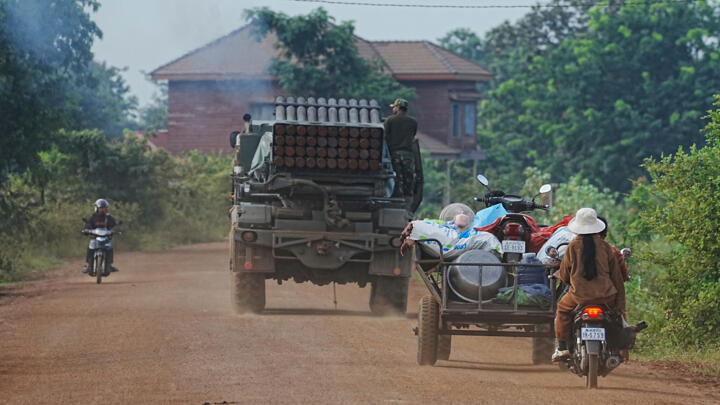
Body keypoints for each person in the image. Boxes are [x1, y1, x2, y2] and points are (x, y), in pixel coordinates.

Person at [551, 207, 627, 362]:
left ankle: (562, 348)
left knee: (562, 309)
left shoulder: (572, 246)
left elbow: (565, 274)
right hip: (606, 297)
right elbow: (617, 278)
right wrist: (620, 305)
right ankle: (617, 349)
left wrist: (565, 278)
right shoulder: (606, 247)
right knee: (616, 317)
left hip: (579, 297)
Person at [384, 98, 418, 199]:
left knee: (397, 177)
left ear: (398, 108)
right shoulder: (413, 122)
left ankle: (396, 197)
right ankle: (407, 198)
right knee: (408, 178)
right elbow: (413, 136)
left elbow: (385, 136)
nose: (393, 109)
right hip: (408, 155)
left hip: (395, 153)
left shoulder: (390, 120)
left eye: (394, 107)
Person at [82, 199, 118, 273]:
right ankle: (89, 265)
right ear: (97, 208)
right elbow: (88, 224)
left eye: (104, 208)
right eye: (101, 208)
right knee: (90, 248)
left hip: (106, 238)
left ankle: (109, 265)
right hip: (95, 238)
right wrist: (86, 230)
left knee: (110, 248)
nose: (103, 209)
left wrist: (114, 230)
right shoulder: (93, 217)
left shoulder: (108, 218)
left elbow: (114, 225)